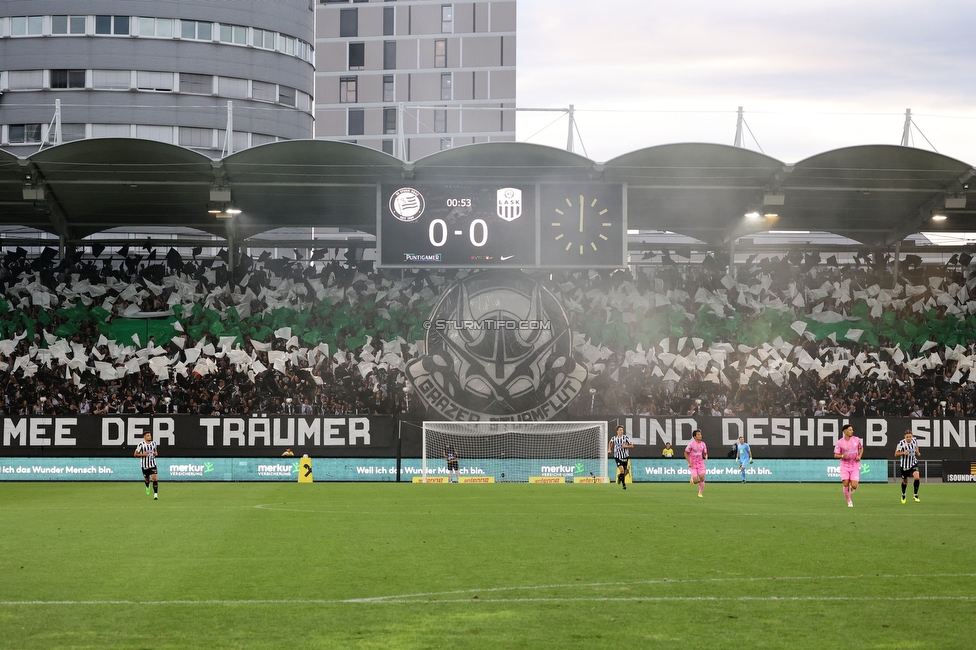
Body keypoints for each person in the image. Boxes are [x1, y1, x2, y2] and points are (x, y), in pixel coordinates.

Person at [833, 424, 863, 508]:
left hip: (854, 465)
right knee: (845, 483)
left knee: (854, 485)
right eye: (850, 430)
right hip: (845, 465)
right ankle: (849, 501)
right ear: (845, 431)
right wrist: (842, 456)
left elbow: (861, 448)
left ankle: (853, 486)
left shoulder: (856, 440)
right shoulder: (840, 442)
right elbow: (835, 455)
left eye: (852, 430)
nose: (852, 431)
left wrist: (859, 456)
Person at [894, 430, 921, 504]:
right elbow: (896, 454)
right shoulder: (901, 443)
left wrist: (917, 452)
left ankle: (915, 495)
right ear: (904, 437)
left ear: (912, 436)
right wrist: (903, 453)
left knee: (917, 477)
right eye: (907, 437)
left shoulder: (914, 440)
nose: (909, 438)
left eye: (910, 437)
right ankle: (903, 494)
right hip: (905, 466)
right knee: (905, 481)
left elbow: (916, 446)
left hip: (913, 463)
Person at [134, 431, 159, 500]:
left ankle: (155, 494)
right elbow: (135, 454)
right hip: (144, 465)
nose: (149, 436)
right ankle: (147, 486)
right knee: (147, 479)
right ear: (144, 437)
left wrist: (155, 454)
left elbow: (156, 452)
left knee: (154, 478)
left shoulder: (154, 443)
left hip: (152, 464)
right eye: (148, 435)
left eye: (150, 435)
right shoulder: (141, 445)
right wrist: (143, 454)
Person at [608, 425, 633, 490]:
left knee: (623, 472)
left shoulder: (626, 437)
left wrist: (626, 446)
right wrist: (609, 449)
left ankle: (621, 479)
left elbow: (632, 445)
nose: (621, 431)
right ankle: (623, 484)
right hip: (617, 456)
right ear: (617, 431)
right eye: (620, 430)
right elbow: (610, 442)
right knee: (621, 470)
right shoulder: (614, 438)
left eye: (622, 430)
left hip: (625, 456)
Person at [684, 429, 708, 497]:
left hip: (700, 463)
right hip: (693, 464)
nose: (700, 436)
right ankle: (692, 479)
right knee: (695, 481)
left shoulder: (703, 444)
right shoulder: (691, 444)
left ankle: (700, 493)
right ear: (694, 436)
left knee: (702, 477)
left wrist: (706, 456)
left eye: (700, 434)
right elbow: (685, 453)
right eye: (698, 434)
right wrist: (689, 462)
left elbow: (705, 453)